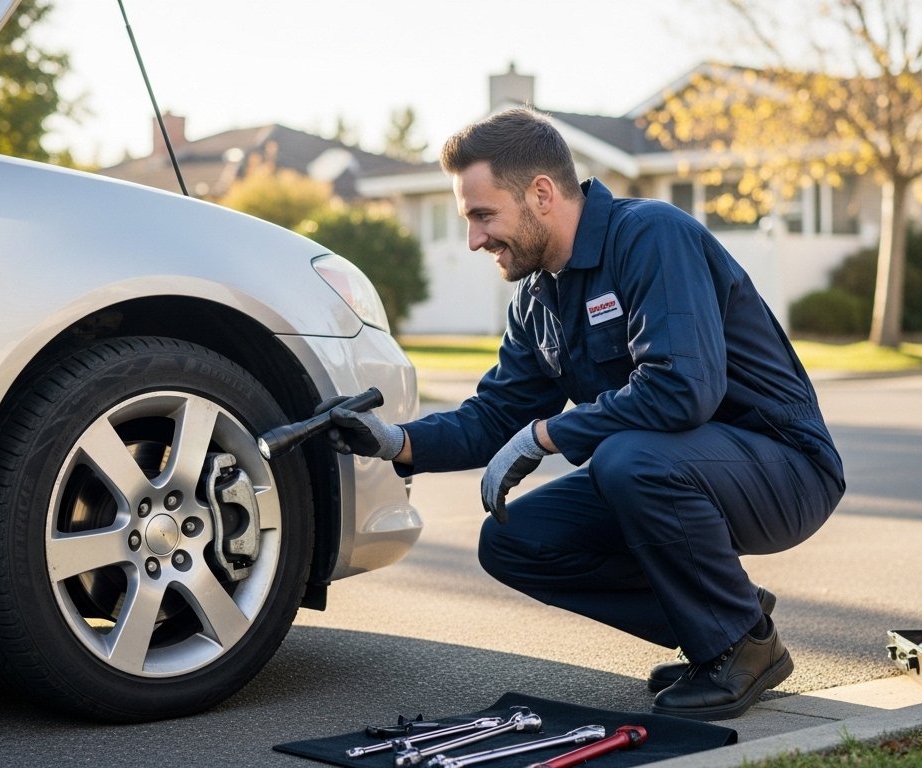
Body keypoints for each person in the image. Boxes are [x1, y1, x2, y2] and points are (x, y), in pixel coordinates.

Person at [325, 107, 845, 721]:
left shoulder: (652, 236)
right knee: (515, 540)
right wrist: (393, 441)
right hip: (677, 470)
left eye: (483, 215)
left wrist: (547, 434)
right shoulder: (537, 296)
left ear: (541, 194)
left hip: (783, 469)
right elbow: (498, 413)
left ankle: (736, 645)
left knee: (629, 457)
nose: (474, 239)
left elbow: (682, 390)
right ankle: (729, 625)